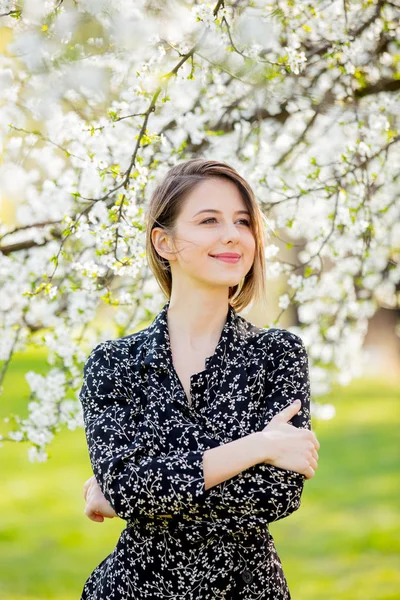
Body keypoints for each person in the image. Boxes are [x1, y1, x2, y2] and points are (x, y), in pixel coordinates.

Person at [79, 158, 320, 599]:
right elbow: (127, 486)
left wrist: (134, 497)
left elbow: (277, 494)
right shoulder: (113, 363)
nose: (232, 234)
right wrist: (260, 446)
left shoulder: (277, 355)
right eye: (209, 220)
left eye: (243, 221)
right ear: (164, 242)